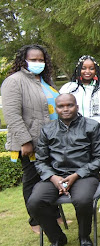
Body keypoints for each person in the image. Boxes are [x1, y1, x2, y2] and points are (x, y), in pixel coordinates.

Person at [27, 94, 100, 246]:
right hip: (54, 177)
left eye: (69, 105)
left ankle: (84, 237)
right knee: (35, 202)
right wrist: (53, 177)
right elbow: (40, 161)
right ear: (55, 109)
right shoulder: (47, 129)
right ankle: (57, 239)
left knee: (83, 200)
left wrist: (77, 175)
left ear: (77, 106)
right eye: (61, 106)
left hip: (84, 175)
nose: (65, 109)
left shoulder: (92, 126)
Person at [1, 44, 59, 233]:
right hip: (30, 143)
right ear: (23, 60)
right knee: (32, 180)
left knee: (49, 180)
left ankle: (53, 216)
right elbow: (12, 115)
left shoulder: (44, 80)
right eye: (33, 60)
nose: (38, 63)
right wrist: (26, 141)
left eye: (41, 60)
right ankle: (35, 221)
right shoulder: (14, 81)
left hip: (50, 141)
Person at [59, 55, 100, 214]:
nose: (87, 71)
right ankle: (84, 198)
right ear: (78, 69)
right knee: (80, 167)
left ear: (96, 70)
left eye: (91, 68)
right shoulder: (68, 88)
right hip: (76, 134)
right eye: (84, 68)